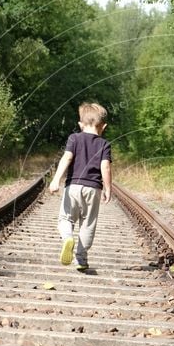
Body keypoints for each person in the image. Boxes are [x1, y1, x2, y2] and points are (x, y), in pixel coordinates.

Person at [48, 102, 113, 271]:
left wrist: (56, 180)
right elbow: (105, 167)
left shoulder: (74, 138)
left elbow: (66, 159)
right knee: (88, 224)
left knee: (65, 219)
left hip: (73, 186)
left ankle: (68, 237)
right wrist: (108, 188)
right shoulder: (104, 144)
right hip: (93, 189)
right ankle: (81, 259)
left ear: (80, 124)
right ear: (103, 126)